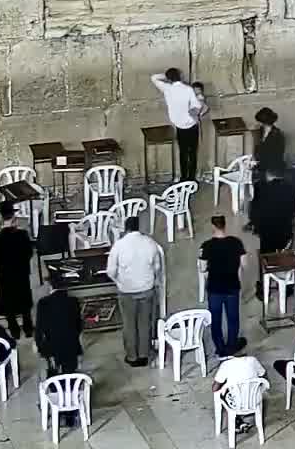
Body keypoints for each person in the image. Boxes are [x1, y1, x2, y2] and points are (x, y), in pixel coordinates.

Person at [106, 215, 163, 367]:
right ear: (139, 227)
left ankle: (132, 356)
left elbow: (110, 271)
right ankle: (144, 355)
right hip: (146, 289)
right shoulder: (150, 243)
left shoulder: (119, 245)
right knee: (145, 323)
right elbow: (157, 267)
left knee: (129, 324)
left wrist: (119, 282)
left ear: (126, 228)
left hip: (127, 291)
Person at [201, 214, 249, 357]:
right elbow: (245, 264)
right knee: (233, 318)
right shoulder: (236, 243)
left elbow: (202, 268)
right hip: (232, 286)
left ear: (213, 226)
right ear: (224, 225)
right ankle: (232, 345)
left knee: (216, 320)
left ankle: (220, 349)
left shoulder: (207, 245)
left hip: (214, 288)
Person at [34, 280, 83, 418]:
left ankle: (57, 402)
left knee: (53, 374)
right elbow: (78, 326)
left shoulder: (43, 303)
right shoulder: (73, 301)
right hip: (71, 346)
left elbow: (39, 329)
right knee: (70, 372)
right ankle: (71, 407)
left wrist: (39, 346)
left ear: (51, 286)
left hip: (51, 348)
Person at [0, 204, 36, 339]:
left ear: (2, 219)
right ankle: (28, 329)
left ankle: (14, 330)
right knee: (24, 302)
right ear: (14, 218)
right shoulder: (22, 235)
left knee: (8, 303)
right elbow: (29, 253)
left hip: (5, 276)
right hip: (21, 274)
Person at [153, 66, 205, 182]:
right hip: (191, 125)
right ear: (180, 76)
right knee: (192, 153)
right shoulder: (188, 89)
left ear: (169, 79)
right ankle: (191, 179)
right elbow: (197, 106)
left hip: (179, 126)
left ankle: (183, 178)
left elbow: (154, 78)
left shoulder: (167, 88)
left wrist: (165, 76)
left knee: (182, 152)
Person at [212, 350, 267, 436]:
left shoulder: (226, 365)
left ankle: (236, 422)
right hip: (255, 400)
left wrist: (224, 384)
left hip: (237, 403)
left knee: (224, 393)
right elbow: (263, 375)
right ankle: (240, 422)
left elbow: (214, 388)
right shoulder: (253, 360)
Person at [249, 167, 295, 257]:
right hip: (285, 231)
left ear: (268, 176)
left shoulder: (260, 187)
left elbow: (253, 212)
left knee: (266, 256)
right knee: (285, 254)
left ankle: (266, 266)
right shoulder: (291, 187)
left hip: (266, 232)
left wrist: (255, 225)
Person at [251, 108, 286, 185]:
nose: (258, 123)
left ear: (265, 121)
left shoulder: (277, 134)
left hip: (273, 165)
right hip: (262, 163)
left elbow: (276, 154)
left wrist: (259, 162)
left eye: (260, 121)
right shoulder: (260, 131)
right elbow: (257, 147)